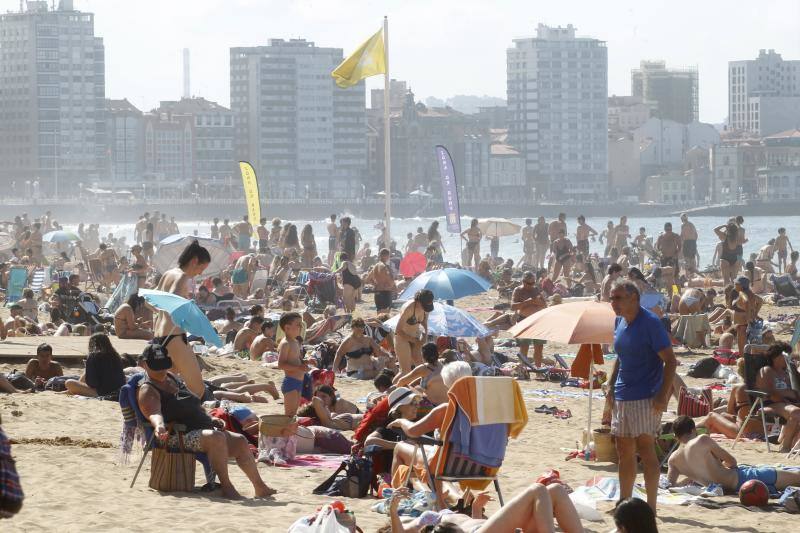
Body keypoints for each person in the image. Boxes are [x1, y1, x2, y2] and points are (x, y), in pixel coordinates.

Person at [136, 344, 275, 499]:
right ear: (143, 364)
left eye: (163, 366)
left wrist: (210, 418)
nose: (161, 371)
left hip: (199, 429)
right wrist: (159, 426)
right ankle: (226, 487)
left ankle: (260, 487)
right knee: (216, 438)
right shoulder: (148, 389)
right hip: (176, 436)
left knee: (240, 441)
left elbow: (193, 403)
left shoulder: (171, 378)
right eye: (157, 367)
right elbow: (154, 412)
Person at [602, 280, 677, 513]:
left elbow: (671, 361)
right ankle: (624, 504)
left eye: (618, 298)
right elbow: (620, 357)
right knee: (624, 452)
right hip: (623, 394)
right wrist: (612, 385)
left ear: (634, 298)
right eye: (612, 298)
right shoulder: (620, 322)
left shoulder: (651, 323)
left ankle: (651, 508)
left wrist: (662, 396)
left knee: (646, 450)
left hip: (645, 395)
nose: (613, 302)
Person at [667, 415, 800, 495]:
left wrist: (691, 479)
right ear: (693, 429)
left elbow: (671, 484)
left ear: (675, 436)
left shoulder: (673, 459)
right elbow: (732, 461)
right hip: (742, 478)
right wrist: (721, 466)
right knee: (796, 478)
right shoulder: (702, 440)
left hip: (733, 489)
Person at [385, 482, 583, 533]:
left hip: (484, 528)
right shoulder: (426, 521)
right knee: (538, 489)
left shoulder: (439, 517)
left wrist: (476, 510)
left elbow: (470, 523)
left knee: (556, 489)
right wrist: (394, 512)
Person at [153, 240, 211, 398]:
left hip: (159, 336)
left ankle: (173, 418)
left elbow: (148, 302)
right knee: (197, 388)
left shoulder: (168, 274)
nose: (199, 273)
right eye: (201, 268)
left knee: (168, 384)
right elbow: (173, 304)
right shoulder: (182, 277)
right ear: (194, 261)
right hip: (174, 338)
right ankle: (189, 419)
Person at [755, 342, 800, 453]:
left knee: (795, 411)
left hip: (786, 404)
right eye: (786, 355)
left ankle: (792, 443)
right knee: (795, 412)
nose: (788, 357)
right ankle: (785, 446)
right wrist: (788, 395)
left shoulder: (787, 372)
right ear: (778, 356)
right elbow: (771, 394)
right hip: (770, 404)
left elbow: (796, 392)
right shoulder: (767, 370)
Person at [65, 333, 126, 398]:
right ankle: (69, 391)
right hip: (119, 391)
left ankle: (70, 391)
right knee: (84, 375)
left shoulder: (93, 356)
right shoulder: (116, 356)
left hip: (103, 393)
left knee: (69, 383)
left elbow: (92, 383)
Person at [277, 312, 311, 416]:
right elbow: (281, 364)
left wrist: (305, 362)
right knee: (289, 415)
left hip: (299, 382)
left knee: (294, 414)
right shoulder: (285, 343)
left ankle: (290, 431)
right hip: (290, 382)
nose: (300, 327)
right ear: (287, 328)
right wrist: (298, 367)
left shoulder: (295, 342)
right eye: (298, 325)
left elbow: (296, 359)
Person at [393, 290, 434, 375]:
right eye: (424, 305)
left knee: (421, 366)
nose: (425, 308)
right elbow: (398, 330)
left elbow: (424, 324)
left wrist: (424, 339)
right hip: (402, 338)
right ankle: (392, 388)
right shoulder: (409, 308)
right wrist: (414, 341)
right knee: (405, 371)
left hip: (415, 337)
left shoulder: (426, 307)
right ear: (418, 301)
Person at [512, 271, 547, 366]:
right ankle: (523, 369)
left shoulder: (536, 289)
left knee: (539, 347)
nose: (531, 285)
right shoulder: (518, 290)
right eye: (529, 283)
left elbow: (545, 305)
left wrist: (537, 302)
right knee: (524, 347)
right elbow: (513, 306)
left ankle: (538, 370)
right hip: (524, 320)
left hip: (537, 320)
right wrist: (528, 302)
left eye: (533, 283)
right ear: (523, 281)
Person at [297, 385, 363, 431]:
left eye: (324, 396)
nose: (321, 399)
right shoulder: (326, 417)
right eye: (318, 396)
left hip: (360, 415)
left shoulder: (339, 403)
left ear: (331, 397)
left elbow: (315, 400)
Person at [732, 276, 762, 356]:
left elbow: (746, 302)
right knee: (747, 337)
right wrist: (755, 313)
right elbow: (760, 300)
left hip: (742, 319)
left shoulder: (742, 293)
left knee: (741, 337)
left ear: (741, 286)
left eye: (736, 283)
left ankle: (742, 355)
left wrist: (748, 316)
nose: (734, 285)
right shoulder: (750, 293)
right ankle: (745, 354)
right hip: (746, 317)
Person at [368, 248, 396, 314]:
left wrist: (375, 284)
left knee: (379, 313)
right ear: (385, 256)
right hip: (385, 292)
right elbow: (389, 278)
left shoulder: (375, 266)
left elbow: (368, 279)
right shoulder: (384, 266)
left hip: (377, 291)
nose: (389, 257)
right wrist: (393, 286)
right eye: (389, 256)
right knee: (386, 315)